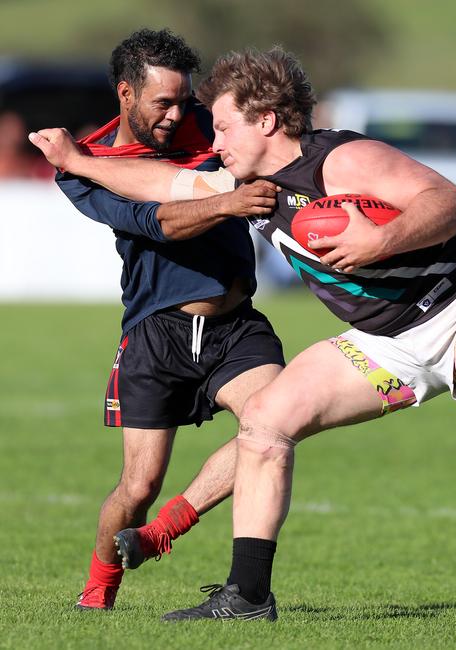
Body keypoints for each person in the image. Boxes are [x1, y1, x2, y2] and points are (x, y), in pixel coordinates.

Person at [31, 47, 456, 623]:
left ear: (266, 120)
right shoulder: (253, 191)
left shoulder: (339, 159)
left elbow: (453, 202)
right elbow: (162, 188)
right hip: (383, 342)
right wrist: (79, 163)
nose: (212, 143)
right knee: (266, 422)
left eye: (222, 127)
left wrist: (378, 241)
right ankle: (246, 596)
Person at [31, 31, 285, 612]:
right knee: (137, 487)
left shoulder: (209, 119)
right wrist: (227, 201)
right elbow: (159, 223)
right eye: (162, 104)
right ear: (125, 94)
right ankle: (98, 591)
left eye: (184, 100)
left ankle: (168, 531)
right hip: (156, 333)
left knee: (273, 426)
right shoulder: (84, 168)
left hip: (235, 326)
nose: (178, 115)